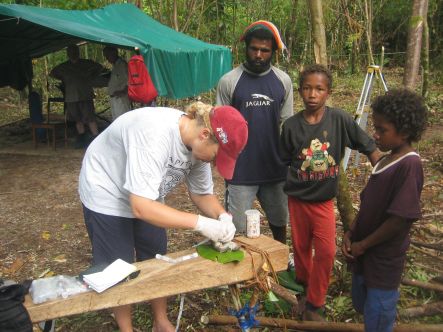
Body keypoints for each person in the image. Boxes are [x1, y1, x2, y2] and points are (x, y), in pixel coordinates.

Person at [79, 101, 248, 332]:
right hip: (107, 189)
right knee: (118, 267)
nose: (215, 163)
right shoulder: (153, 134)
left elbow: (201, 193)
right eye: (217, 156)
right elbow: (140, 207)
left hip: (147, 193)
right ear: (205, 134)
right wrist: (200, 223)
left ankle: (160, 320)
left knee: (156, 255)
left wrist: (221, 216)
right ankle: (125, 328)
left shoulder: (198, 147)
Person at [279, 64, 380, 321]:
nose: (312, 94)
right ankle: (304, 294)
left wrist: (378, 158)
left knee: (325, 252)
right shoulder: (291, 126)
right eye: (307, 88)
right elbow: (283, 159)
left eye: (319, 89)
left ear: (328, 92)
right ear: (300, 91)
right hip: (297, 200)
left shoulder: (340, 120)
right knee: (301, 250)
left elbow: (364, 142)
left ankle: (316, 303)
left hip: (324, 201)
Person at [341, 89, 427, 332]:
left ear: (405, 131)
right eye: (374, 128)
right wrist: (351, 234)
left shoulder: (409, 165)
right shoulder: (386, 161)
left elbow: (400, 220)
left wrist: (364, 244)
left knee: (379, 315)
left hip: (383, 260)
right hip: (363, 254)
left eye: (382, 130)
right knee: (362, 303)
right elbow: (369, 205)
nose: (375, 135)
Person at [216, 20, 293, 244]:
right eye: (254, 49)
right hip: (240, 170)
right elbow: (220, 126)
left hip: (275, 167)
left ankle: (281, 257)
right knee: (237, 228)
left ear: (273, 52)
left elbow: (287, 123)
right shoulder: (229, 81)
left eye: (265, 50)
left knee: (280, 220)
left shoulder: (283, 81)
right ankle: (240, 271)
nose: (258, 54)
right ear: (246, 48)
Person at [50, 44, 105, 148]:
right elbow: (52, 73)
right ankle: (82, 139)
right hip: (71, 96)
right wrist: (63, 78)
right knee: (77, 119)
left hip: (85, 95)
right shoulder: (64, 66)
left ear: (78, 52)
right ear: (68, 54)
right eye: (70, 52)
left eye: (75, 51)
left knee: (90, 118)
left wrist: (91, 76)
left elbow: (99, 67)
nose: (73, 54)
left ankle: (97, 140)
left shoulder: (86, 63)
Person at [102, 46, 131, 120]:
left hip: (120, 99)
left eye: (107, 55)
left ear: (114, 53)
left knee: (123, 121)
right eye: (105, 56)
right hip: (114, 99)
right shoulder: (115, 66)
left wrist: (124, 91)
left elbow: (129, 80)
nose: (107, 58)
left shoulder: (122, 64)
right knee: (116, 121)